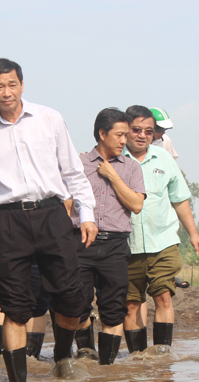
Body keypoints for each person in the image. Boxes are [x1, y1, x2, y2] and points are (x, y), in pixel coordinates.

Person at [0, 58, 98, 382]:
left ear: (21, 84)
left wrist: (87, 213)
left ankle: (62, 360)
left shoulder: (49, 119)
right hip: (8, 222)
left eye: (11, 85)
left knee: (70, 298)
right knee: (13, 305)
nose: (6, 92)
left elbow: (73, 172)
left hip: (52, 214)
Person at [122, 105, 199, 352]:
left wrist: (194, 233)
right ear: (125, 130)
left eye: (148, 131)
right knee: (130, 304)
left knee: (163, 297)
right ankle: (137, 359)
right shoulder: (114, 160)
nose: (142, 135)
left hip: (162, 241)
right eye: (136, 129)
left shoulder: (164, 159)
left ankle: (161, 358)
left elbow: (179, 199)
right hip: (126, 245)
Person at [66, 108, 146, 365]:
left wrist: (112, 176)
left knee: (113, 309)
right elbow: (66, 204)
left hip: (115, 245)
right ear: (102, 133)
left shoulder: (131, 168)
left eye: (126, 135)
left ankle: (107, 368)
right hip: (80, 242)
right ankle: (85, 353)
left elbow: (136, 204)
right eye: (120, 135)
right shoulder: (77, 165)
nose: (125, 140)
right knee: (77, 305)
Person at [0, 193, 49, 359]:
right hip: (9, 230)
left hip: (43, 232)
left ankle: (31, 357)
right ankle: (5, 354)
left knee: (39, 295)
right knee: (5, 294)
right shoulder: (3, 169)